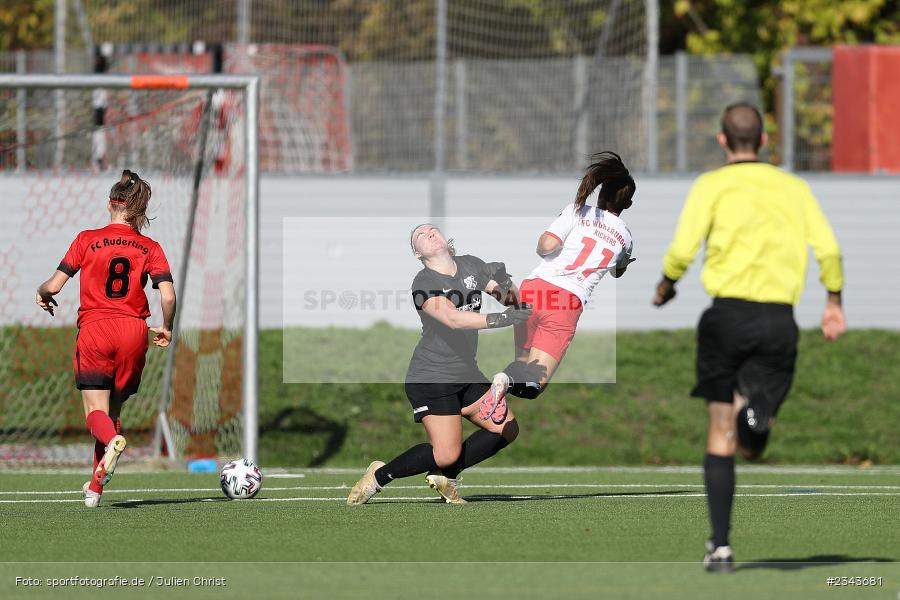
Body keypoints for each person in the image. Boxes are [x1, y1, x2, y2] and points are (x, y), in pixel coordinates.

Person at [652, 102, 847, 572]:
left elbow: (682, 248)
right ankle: (757, 415)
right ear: (763, 141)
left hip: (726, 317)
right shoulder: (794, 187)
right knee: (753, 439)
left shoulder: (711, 185)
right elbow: (829, 248)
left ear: (722, 141)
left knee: (721, 432)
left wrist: (667, 284)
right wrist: (834, 300)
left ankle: (720, 548)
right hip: (778, 320)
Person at [346, 224, 531, 505]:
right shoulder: (423, 282)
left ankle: (447, 475)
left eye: (433, 229)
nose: (430, 233)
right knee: (446, 453)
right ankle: (379, 476)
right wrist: (501, 319)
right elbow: (453, 319)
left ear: (446, 239)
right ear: (417, 253)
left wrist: (507, 285)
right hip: (432, 377)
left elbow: (509, 300)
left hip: (467, 374)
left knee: (507, 428)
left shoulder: (472, 265)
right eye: (421, 235)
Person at [36, 170, 177, 508]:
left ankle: (113, 441)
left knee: (95, 413)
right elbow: (168, 296)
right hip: (133, 332)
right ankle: (95, 489)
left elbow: (54, 285)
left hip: (96, 330)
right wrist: (167, 327)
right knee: (112, 409)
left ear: (109, 204)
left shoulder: (87, 239)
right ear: (140, 211)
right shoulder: (150, 246)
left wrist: (42, 293)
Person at [483, 151, 635, 413]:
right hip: (564, 302)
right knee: (532, 384)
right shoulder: (626, 237)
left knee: (522, 363)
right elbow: (618, 271)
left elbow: (545, 248)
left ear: (600, 193)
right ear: (627, 205)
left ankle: (494, 397)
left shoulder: (576, 210)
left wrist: (549, 237)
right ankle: (504, 383)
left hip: (533, 290)